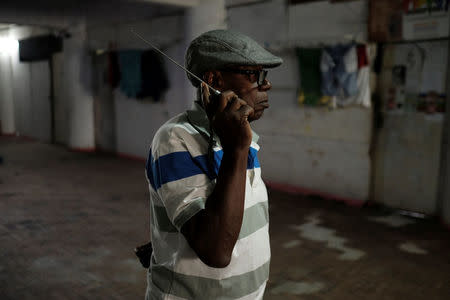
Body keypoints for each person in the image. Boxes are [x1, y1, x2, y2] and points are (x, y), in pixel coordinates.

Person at [145, 29, 282, 299]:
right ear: (214, 79)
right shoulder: (176, 138)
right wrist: (237, 150)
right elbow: (216, 252)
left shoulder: (242, 135)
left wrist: (170, 238)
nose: (265, 86)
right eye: (254, 75)